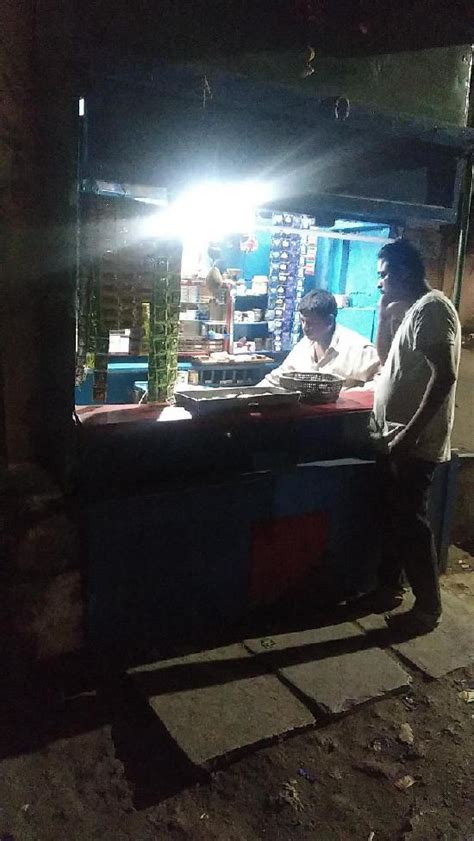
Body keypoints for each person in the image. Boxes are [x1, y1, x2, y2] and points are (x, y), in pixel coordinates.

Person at [367, 238, 461, 634]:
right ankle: (389, 588)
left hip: (414, 443)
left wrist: (408, 435)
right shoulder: (413, 311)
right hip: (397, 438)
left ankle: (427, 608)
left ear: (403, 271)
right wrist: (383, 311)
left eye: (384, 274)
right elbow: (386, 360)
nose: (380, 282)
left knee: (411, 522)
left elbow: (445, 377)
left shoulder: (433, 309)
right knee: (397, 518)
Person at [259, 289, 380, 390]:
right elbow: (279, 377)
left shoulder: (358, 349)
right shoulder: (304, 346)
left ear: (329, 321)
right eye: (302, 321)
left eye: (312, 323)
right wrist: (251, 395)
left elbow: (382, 382)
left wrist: (347, 398)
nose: (305, 327)